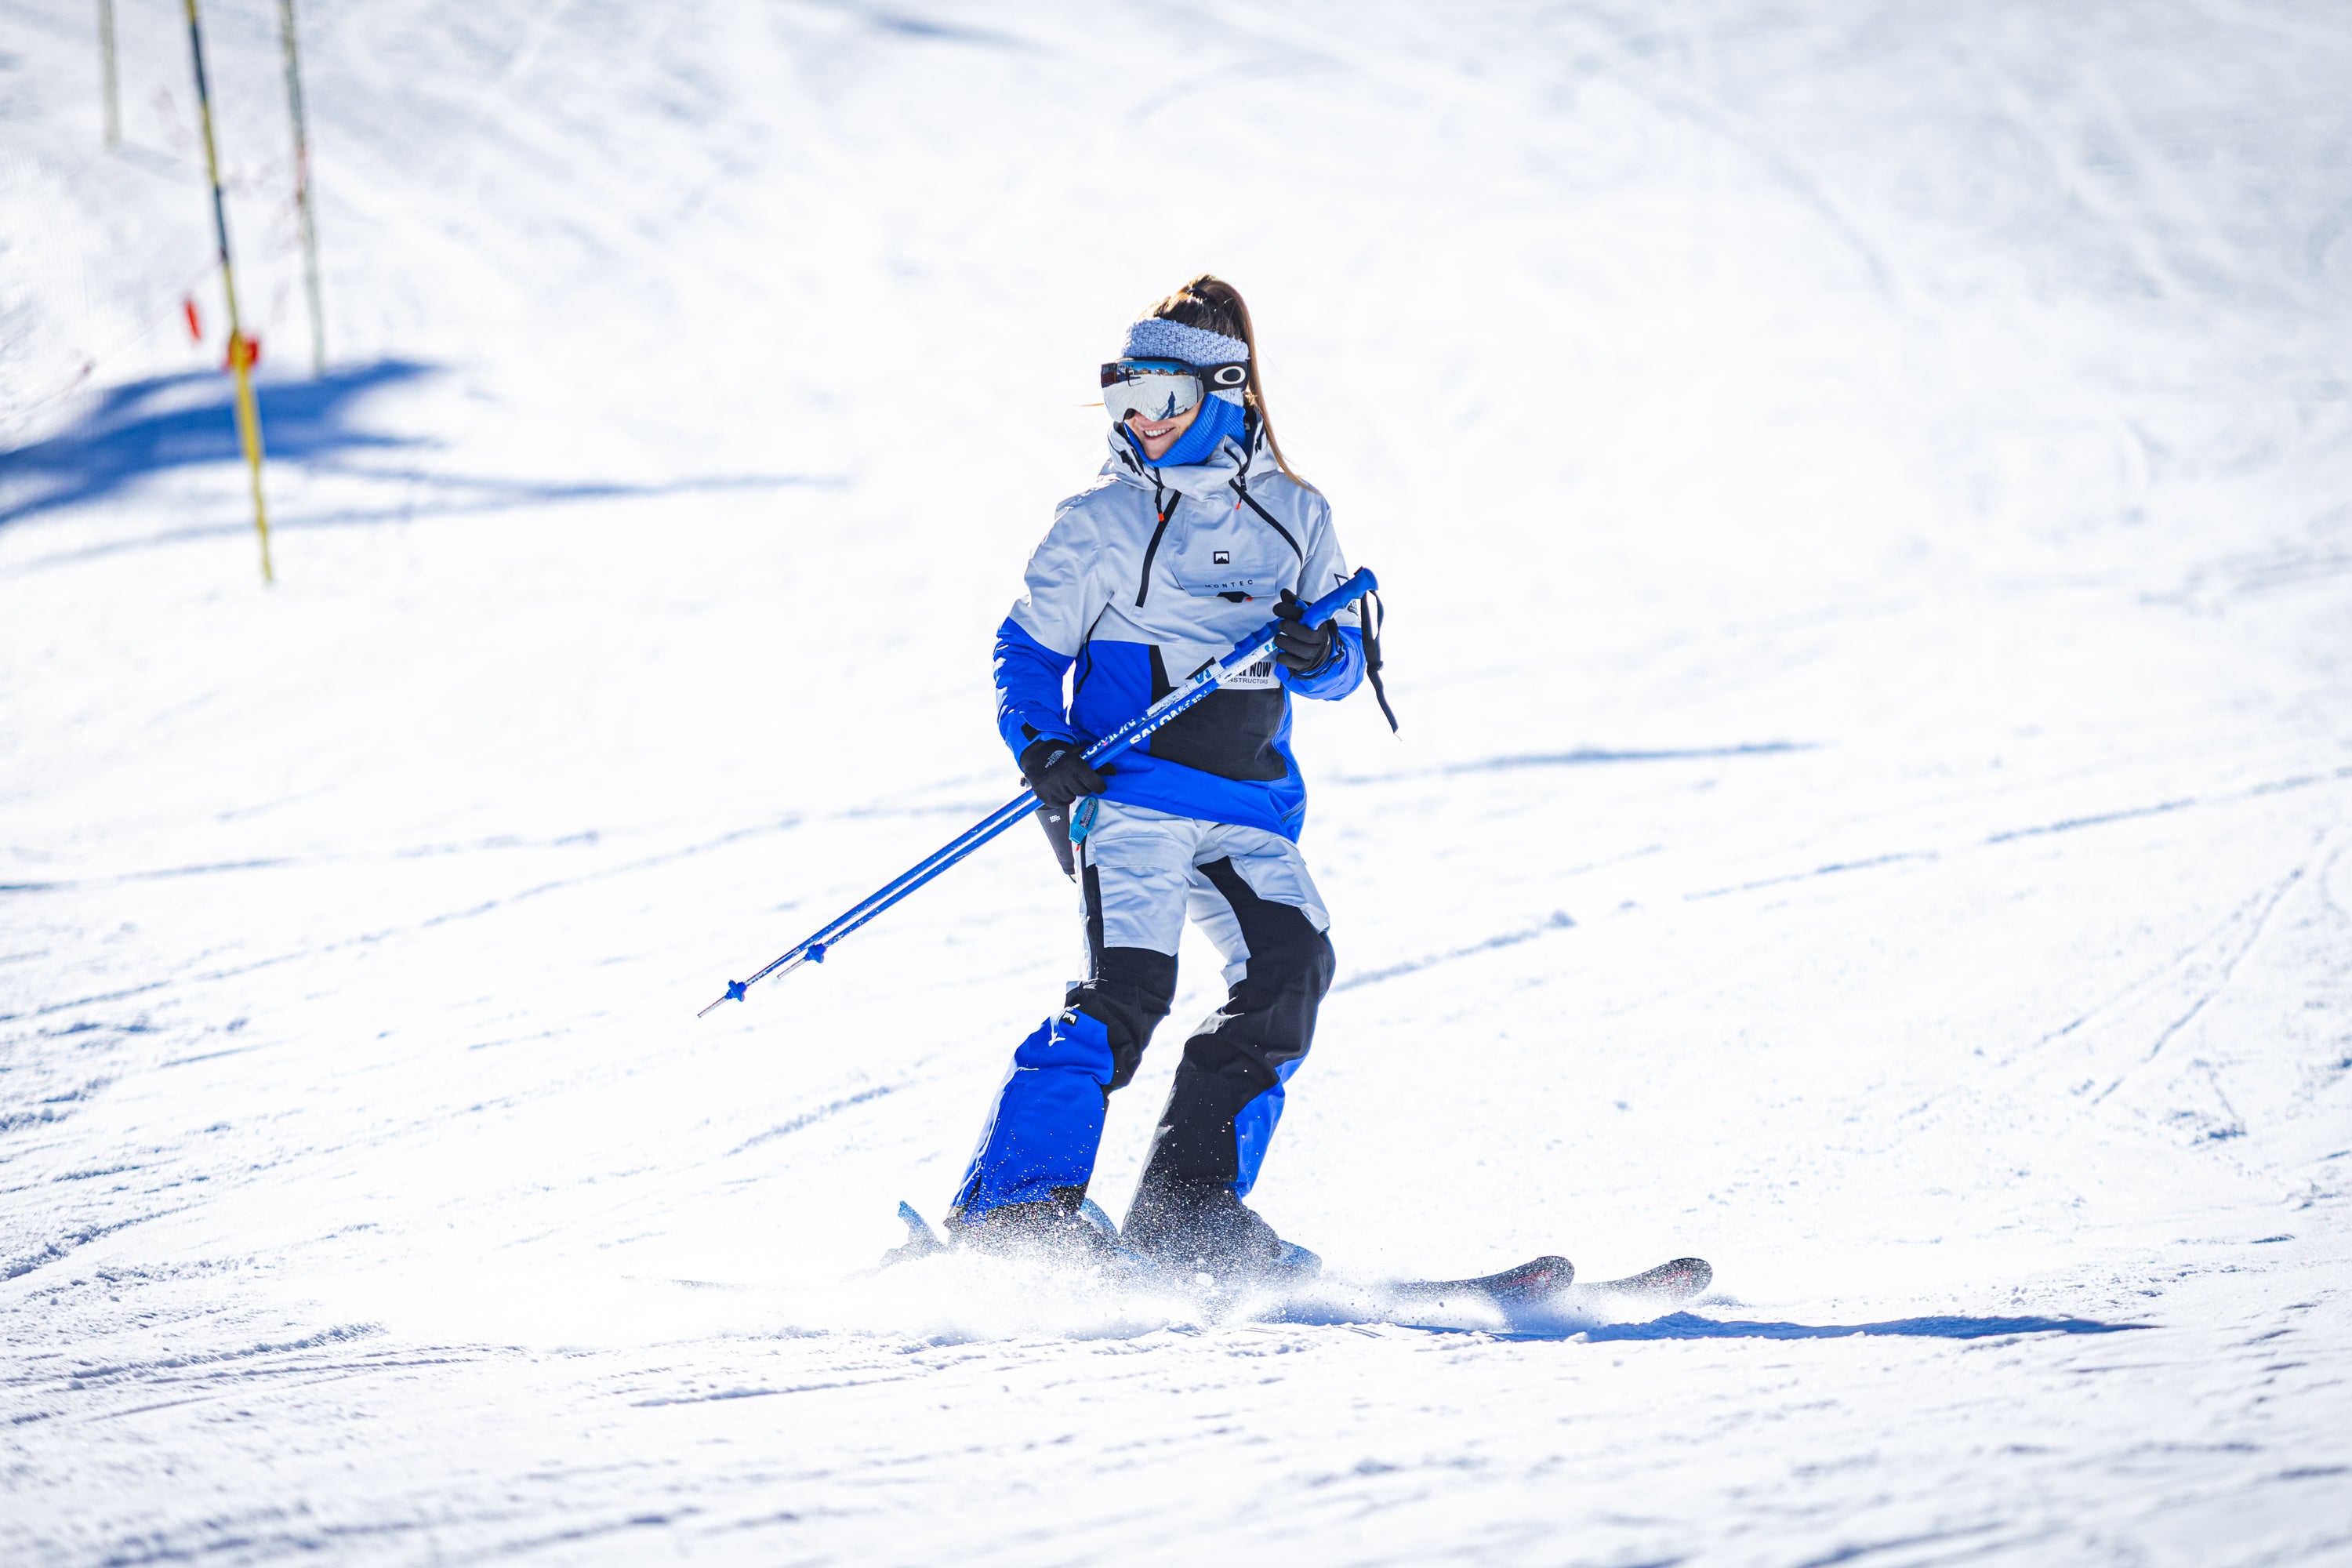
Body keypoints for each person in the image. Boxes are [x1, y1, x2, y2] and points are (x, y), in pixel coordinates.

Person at [945, 274, 1392, 1283]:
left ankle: (1188, 1211)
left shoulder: (1296, 515)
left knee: (1289, 974)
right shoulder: (1097, 521)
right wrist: (1042, 747)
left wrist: (1318, 653)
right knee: (1128, 992)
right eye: (1123, 402)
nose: (1143, 424)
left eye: (1167, 402)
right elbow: (1025, 652)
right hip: (1129, 793)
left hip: (1250, 808)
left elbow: (1342, 669)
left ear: (1224, 392)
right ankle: (1012, 1208)